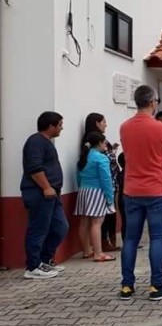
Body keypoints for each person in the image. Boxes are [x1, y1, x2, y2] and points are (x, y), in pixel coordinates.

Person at [119, 85, 162, 301]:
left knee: (130, 239)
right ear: (153, 102)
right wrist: (158, 158)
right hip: (155, 189)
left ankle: (127, 285)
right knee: (157, 238)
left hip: (131, 189)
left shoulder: (124, 127)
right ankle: (157, 285)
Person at [21, 112, 68, 280]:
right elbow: (34, 168)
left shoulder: (47, 142)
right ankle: (33, 266)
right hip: (40, 193)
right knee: (39, 229)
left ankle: (44, 260)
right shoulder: (36, 142)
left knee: (60, 227)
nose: (62, 127)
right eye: (60, 124)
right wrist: (46, 187)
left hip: (52, 195)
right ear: (51, 126)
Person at [75, 131, 116, 262]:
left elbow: (78, 176)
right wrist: (109, 197)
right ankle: (98, 253)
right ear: (99, 143)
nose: (106, 145)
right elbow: (106, 179)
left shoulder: (84, 157)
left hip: (83, 191)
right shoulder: (101, 158)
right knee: (97, 222)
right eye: (104, 142)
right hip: (97, 192)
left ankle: (86, 250)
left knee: (84, 221)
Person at [82, 113, 120, 252]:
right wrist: (109, 195)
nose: (106, 124)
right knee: (100, 220)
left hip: (87, 189)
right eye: (104, 122)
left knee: (88, 220)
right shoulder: (98, 154)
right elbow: (105, 173)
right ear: (97, 123)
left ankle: (88, 249)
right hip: (101, 188)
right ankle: (101, 248)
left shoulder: (88, 148)